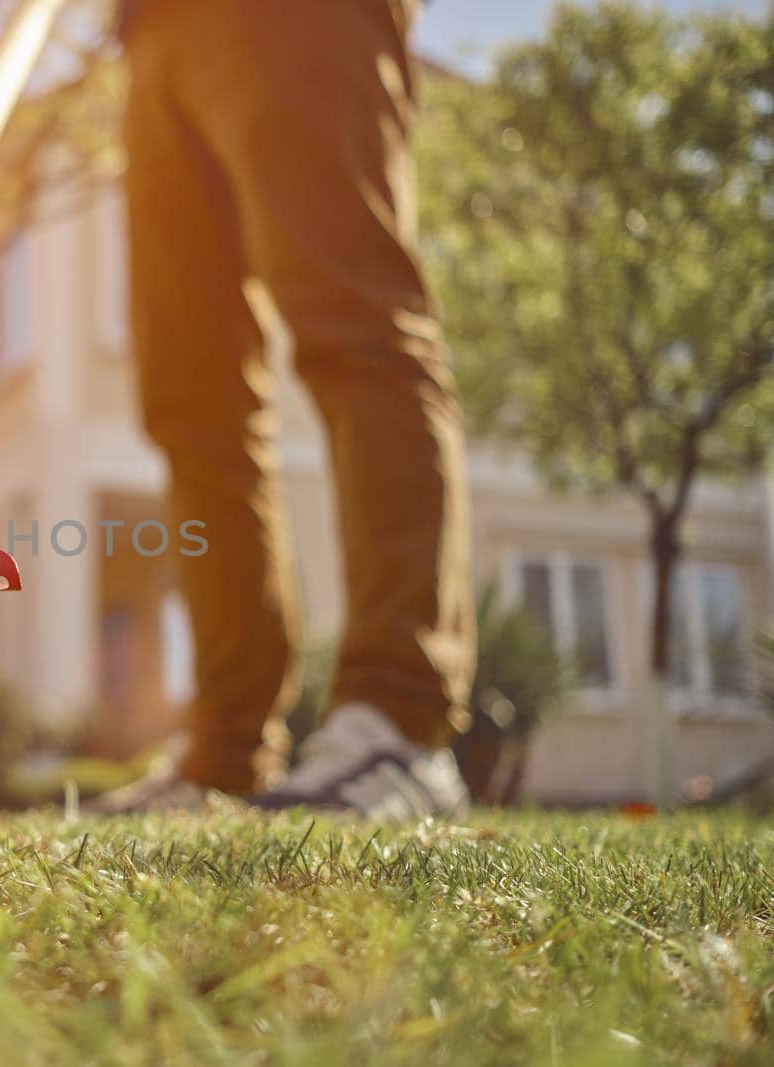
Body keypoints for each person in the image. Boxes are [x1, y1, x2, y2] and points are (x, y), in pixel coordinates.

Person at [94, 0, 476, 817]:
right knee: (191, 401)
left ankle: (399, 720)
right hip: (155, 31)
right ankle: (224, 750)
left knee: (358, 333)